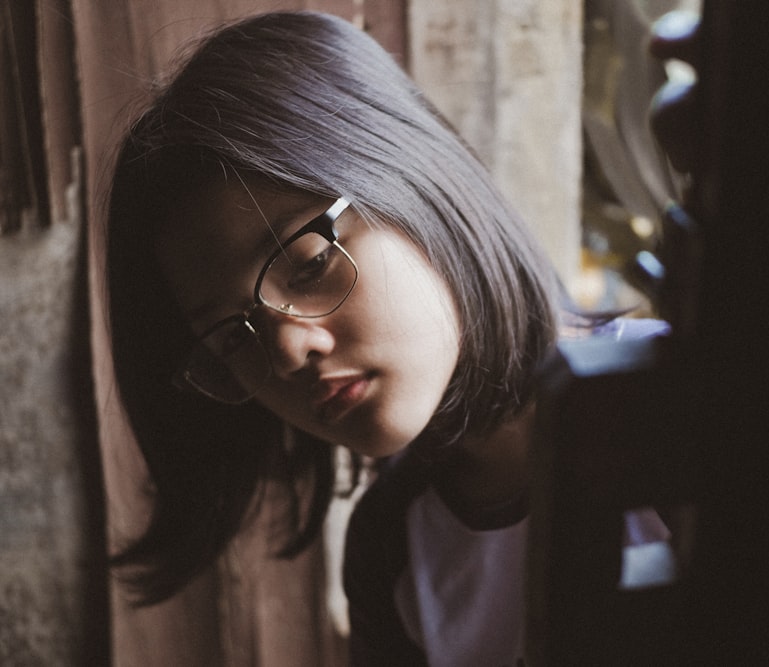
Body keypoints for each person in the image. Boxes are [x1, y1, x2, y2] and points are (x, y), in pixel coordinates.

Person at [104, 10, 669, 665]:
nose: (286, 352)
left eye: (311, 263)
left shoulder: (681, 391)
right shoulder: (391, 551)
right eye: (233, 337)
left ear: (412, 179)